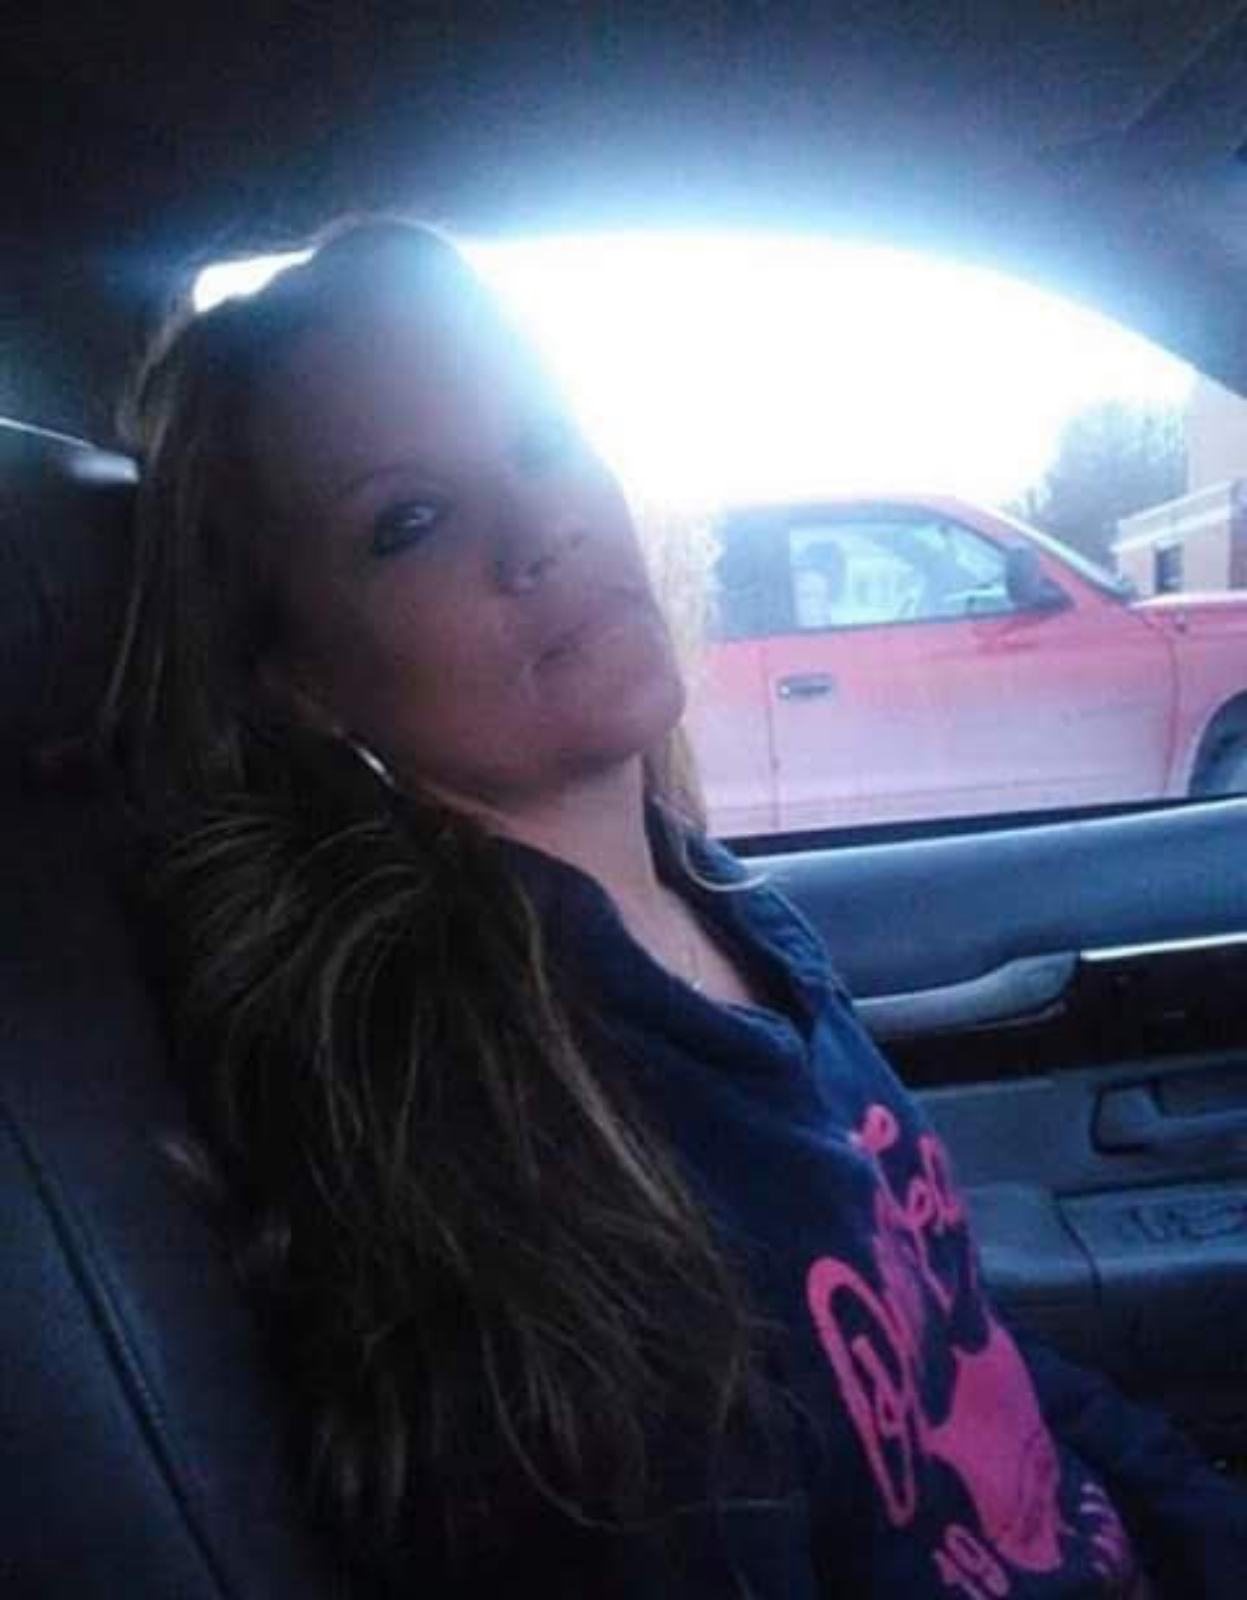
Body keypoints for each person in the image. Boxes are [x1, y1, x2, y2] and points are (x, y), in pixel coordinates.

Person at [103, 218, 1246, 1598]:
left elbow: (976, 1363)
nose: (543, 527)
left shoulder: (724, 913)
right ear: (300, 681)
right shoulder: (498, 1137)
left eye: (542, 442)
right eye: (409, 522)